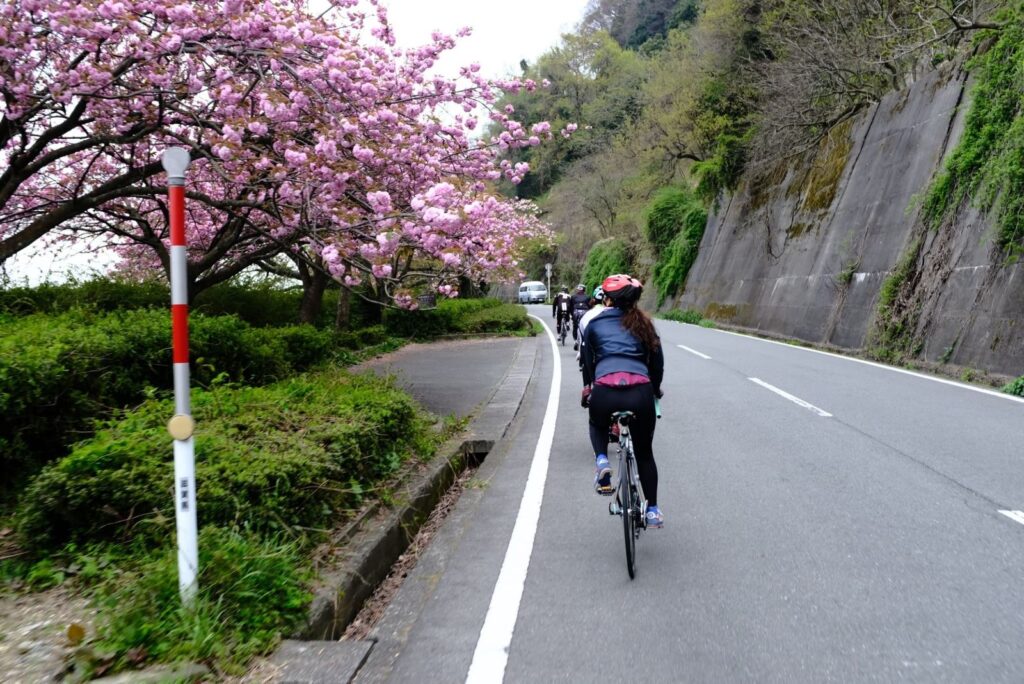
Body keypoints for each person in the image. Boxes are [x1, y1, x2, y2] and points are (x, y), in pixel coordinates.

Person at [580, 274, 665, 528]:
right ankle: (652, 510)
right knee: (645, 454)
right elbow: (657, 364)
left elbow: (588, 363)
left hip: (605, 390)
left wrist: (590, 387)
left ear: (607, 300)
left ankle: (602, 461)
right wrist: (655, 390)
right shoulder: (645, 325)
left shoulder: (594, 324)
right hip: (640, 392)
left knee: (597, 423)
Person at [569, 283, 590, 350]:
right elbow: (590, 307)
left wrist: (572, 315)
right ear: (584, 290)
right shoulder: (587, 297)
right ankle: (585, 339)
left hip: (576, 313)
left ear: (578, 289)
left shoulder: (573, 297)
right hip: (585, 313)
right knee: (585, 326)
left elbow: (571, 307)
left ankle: (575, 340)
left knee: (575, 326)